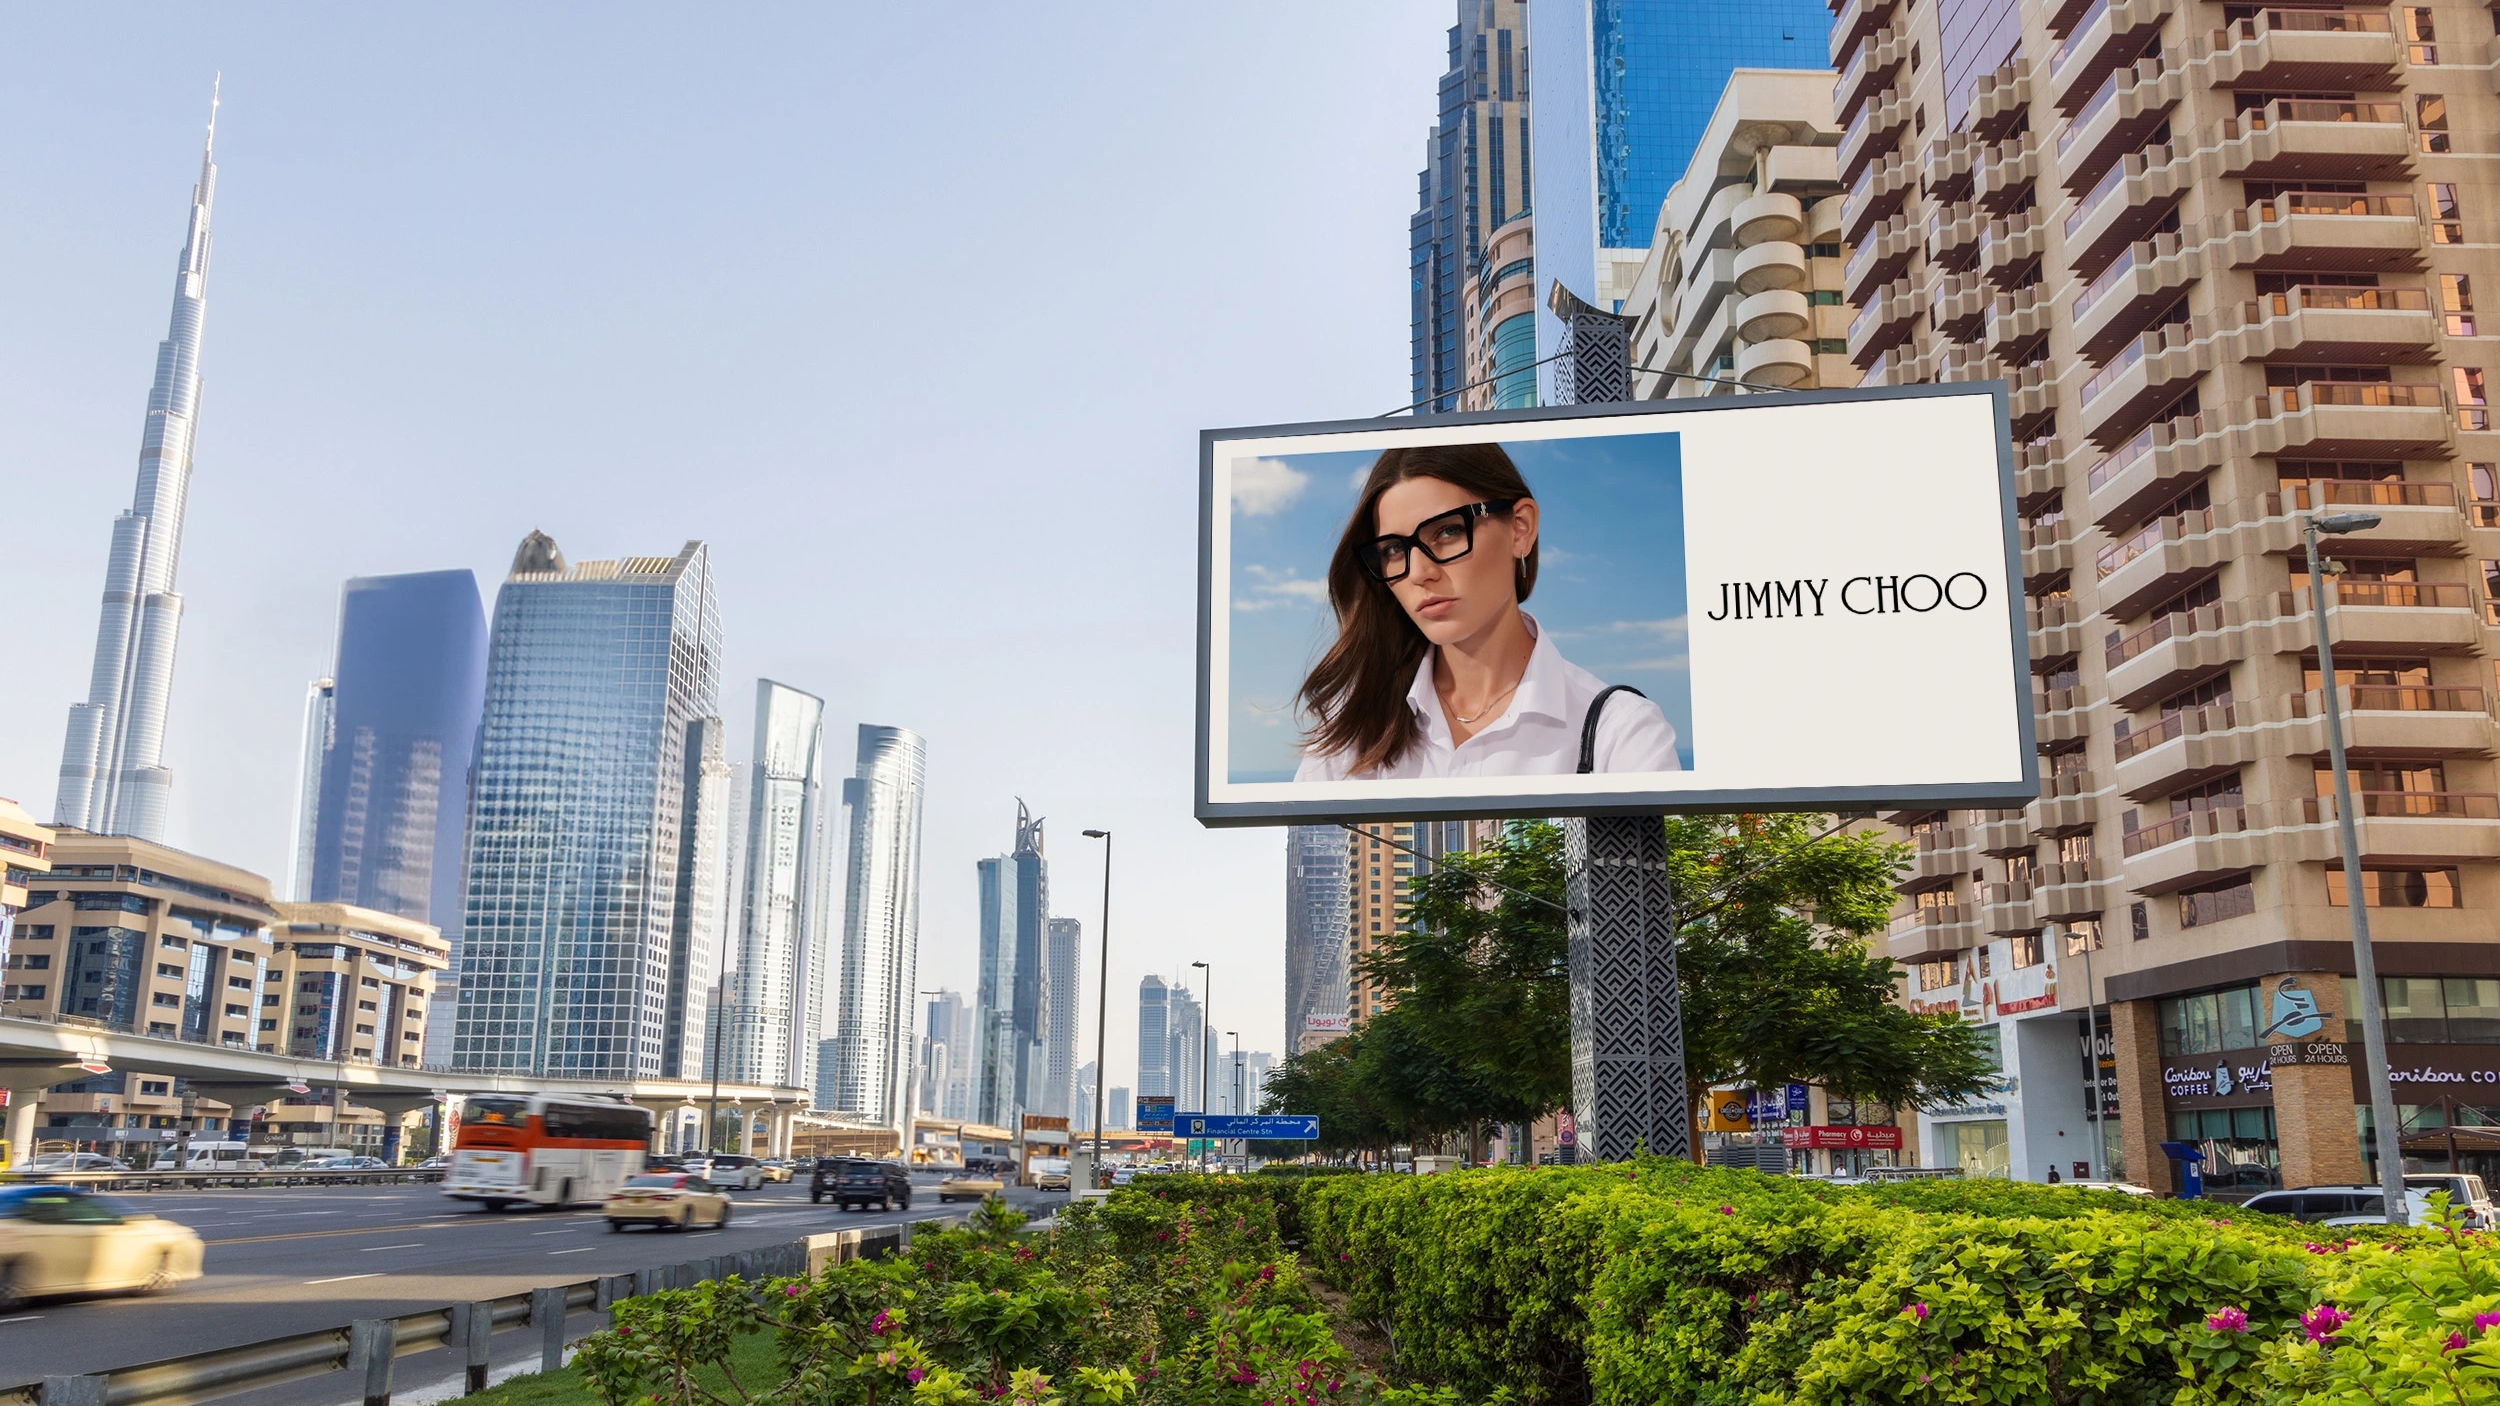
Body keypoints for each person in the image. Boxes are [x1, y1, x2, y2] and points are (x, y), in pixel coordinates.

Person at [1293, 442, 1679, 780]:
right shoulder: (1346, 736)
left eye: (1448, 531)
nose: (1420, 573)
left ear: (1520, 528)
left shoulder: (1622, 733)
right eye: (1394, 549)